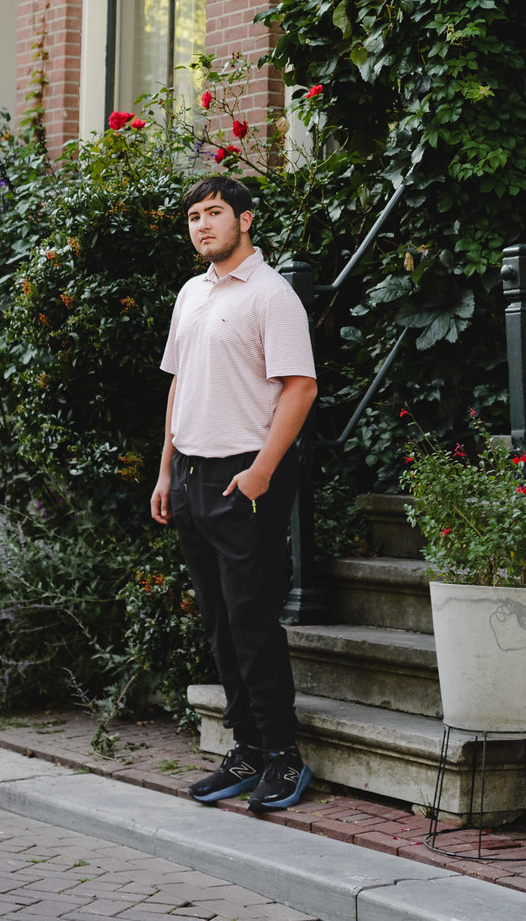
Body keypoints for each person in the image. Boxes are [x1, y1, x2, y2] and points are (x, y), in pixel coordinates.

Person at [151, 174, 318, 811]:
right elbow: (179, 384)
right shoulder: (191, 292)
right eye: (195, 216)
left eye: (215, 212)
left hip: (245, 475)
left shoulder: (272, 295)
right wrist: (166, 471)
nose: (203, 225)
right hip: (191, 474)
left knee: (252, 621)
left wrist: (262, 472)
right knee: (220, 625)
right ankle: (246, 750)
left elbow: (300, 387)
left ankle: (284, 756)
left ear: (244, 220)